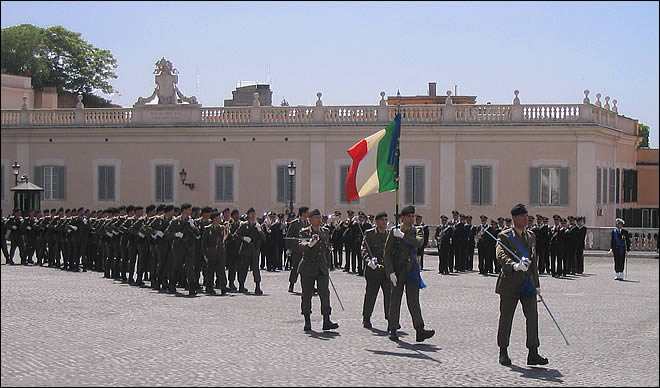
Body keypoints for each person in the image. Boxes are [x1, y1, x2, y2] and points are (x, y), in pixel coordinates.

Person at [495, 204, 548, 367]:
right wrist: (514, 265)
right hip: (510, 282)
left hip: (527, 283)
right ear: (514, 218)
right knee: (506, 318)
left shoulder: (531, 235)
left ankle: (533, 352)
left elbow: (533, 263)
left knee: (532, 317)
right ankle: (503, 351)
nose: (526, 219)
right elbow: (500, 254)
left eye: (527, 216)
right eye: (522, 216)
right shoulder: (505, 236)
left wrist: (537, 285)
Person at [384, 205, 435, 342]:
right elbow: (387, 254)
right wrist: (390, 273)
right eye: (409, 216)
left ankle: (420, 330)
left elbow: (419, 243)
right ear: (402, 218)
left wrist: (403, 237)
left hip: (412, 271)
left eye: (413, 216)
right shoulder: (394, 232)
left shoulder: (417, 230)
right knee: (395, 301)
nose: (412, 219)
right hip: (398, 270)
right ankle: (393, 329)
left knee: (413, 301)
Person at [298, 209, 338, 332]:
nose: (319, 220)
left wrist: (328, 265)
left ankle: (326, 320)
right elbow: (301, 244)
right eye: (316, 218)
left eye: (320, 217)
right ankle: (307, 320)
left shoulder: (325, 231)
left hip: (321, 267)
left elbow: (326, 249)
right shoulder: (305, 232)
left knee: (325, 294)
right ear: (310, 220)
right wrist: (309, 244)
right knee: (307, 294)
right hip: (308, 267)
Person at [361, 211, 391, 329]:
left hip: (387, 271)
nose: (384, 222)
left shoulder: (390, 234)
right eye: (382, 220)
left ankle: (390, 320)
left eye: (385, 220)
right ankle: (366, 317)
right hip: (373, 271)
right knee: (371, 295)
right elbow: (364, 248)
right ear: (377, 221)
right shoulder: (369, 234)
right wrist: (369, 260)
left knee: (389, 296)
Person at [234, 207, 265, 294]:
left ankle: (257, 287)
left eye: (254, 213)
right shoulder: (244, 225)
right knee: (243, 269)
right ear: (248, 215)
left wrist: (260, 231)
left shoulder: (257, 225)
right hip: (245, 250)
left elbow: (264, 238)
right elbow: (236, 235)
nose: (253, 215)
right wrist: (243, 238)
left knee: (256, 269)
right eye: (251, 214)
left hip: (255, 250)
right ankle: (241, 285)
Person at [202, 211, 228, 295]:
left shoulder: (223, 228)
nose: (221, 219)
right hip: (211, 253)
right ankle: (209, 287)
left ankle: (223, 287)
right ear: (214, 219)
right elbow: (204, 243)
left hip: (220, 253)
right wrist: (204, 254)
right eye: (219, 217)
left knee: (221, 271)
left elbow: (226, 238)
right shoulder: (207, 229)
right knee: (210, 271)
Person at [286, 207, 310, 293]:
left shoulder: (309, 223)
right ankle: (291, 284)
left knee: (308, 268)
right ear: (303, 213)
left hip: (307, 249)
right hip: (297, 249)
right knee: (295, 267)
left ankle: (309, 286)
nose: (308, 214)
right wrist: (288, 248)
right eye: (307, 212)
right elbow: (289, 236)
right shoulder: (295, 223)